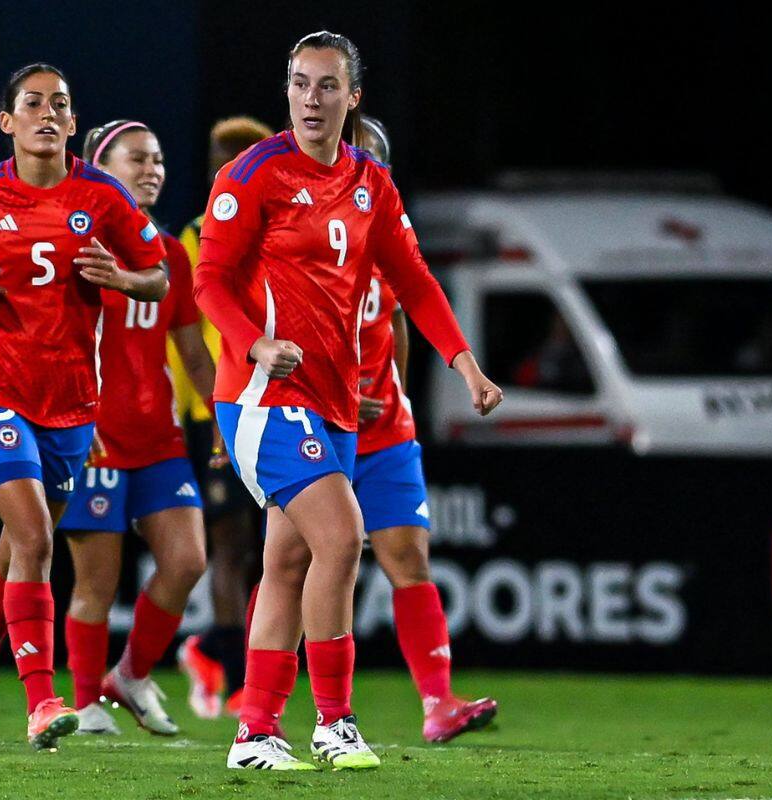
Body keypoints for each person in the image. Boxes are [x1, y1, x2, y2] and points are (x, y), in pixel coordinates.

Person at [194, 32, 502, 770]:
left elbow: (416, 284)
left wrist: (465, 364)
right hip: (264, 396)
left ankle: (255, 733)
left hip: (333, 403)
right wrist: (253, 344)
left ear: (352, 98)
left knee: (290, 564)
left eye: (327, 86)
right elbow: (209, 279)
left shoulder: (371, 183)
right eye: (300, 84)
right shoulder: (252, 173)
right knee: (342, 537)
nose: (310, 99)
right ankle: (334, 722)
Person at [0, 64, 169, 752]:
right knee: (37, 541)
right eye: (33, 103)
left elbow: (160, 277)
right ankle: (43, 700)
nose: (48, 113)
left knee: (17, 544)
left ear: (74, 124)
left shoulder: (102, 197)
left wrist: (124, 277)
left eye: (61, 105)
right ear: (7, 122)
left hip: (73, 402)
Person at [56, 119, 219, 737]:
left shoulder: (170, 253)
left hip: (160, 439)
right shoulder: (80, 247)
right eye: (136, 159)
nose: (152, 169)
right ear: (101, 168)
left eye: (157, 159)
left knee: (187, 560)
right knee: (96, 583)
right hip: (94, 436)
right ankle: (85, 702)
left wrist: (219, 417)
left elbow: (194, 351)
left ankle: (129, 674)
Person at [352, 115, 499, 742]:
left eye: (372, 160)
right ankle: (258, 701)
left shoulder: (386, 234)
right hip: (310, 422)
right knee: (296, 563)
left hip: (384, 430)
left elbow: (403, 316)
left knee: (409, 560)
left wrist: (398, 394)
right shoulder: (294, 230)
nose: (361, 169)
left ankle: (438, 704)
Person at [173, 117, 274, 720]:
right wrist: (209, 414)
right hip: (219, 411)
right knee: (230, 546)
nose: (232, 169)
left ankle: (215, 651)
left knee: (279, 550)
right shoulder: (194, 234)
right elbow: (187, 341)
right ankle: (238, 676)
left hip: (281, 406)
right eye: (224, 159)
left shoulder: (278, 229)